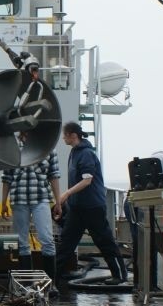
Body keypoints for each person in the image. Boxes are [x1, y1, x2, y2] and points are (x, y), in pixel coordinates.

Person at [53, 122, 127, 285]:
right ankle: (54, 277)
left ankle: (119, 274)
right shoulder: (74, 153)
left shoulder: (86, 154)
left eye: (65, 135)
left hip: (92, 207)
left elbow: (87, 180)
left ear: (73, 135)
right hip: (76, 208)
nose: (63, 138)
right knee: (66, 242)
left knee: (104, 241)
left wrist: (66, 193)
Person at [1, 150, 62, 293]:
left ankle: (50, 285)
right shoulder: (12, 148)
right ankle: (26, 285)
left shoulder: (49, 148)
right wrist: (3, 202)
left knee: (47, 240)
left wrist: (58, 202)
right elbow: (7, 177)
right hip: (18, 199)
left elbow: (54, 175)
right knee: (22, 243)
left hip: (41, 198)